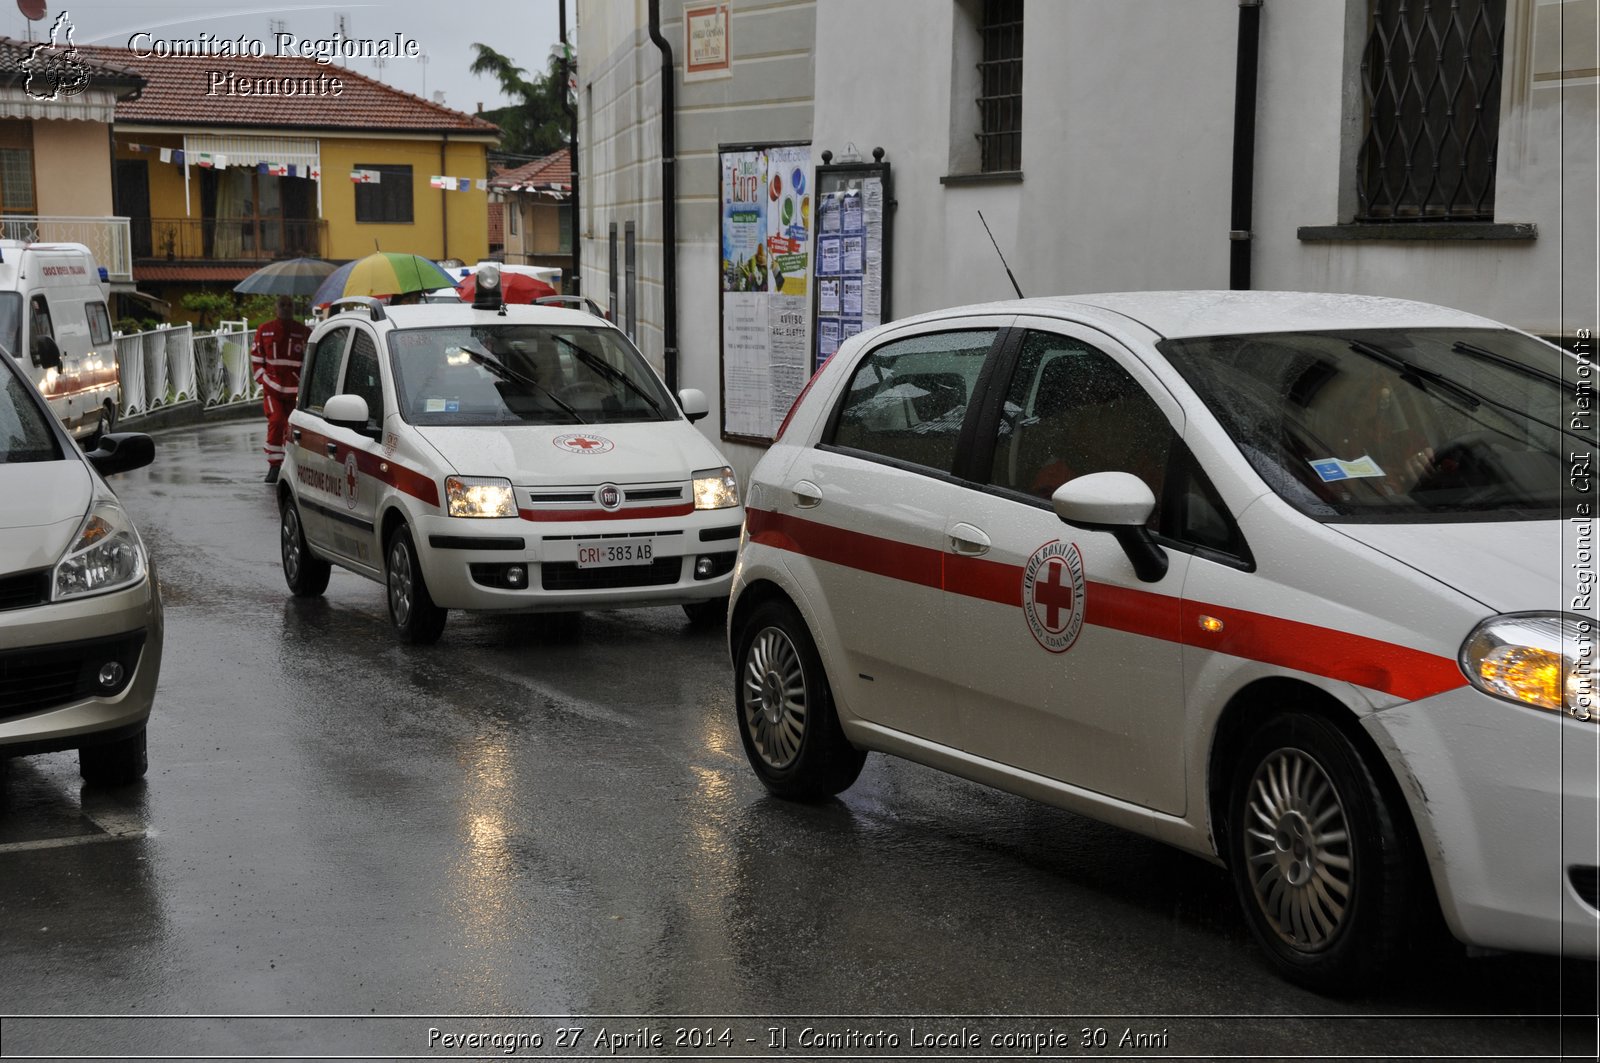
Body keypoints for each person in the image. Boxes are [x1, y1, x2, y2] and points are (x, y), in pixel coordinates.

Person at [251, 294, 310, 483]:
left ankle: (292, 464)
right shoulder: (265, 330)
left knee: (293, 429)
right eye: (282, 304)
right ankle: (274, 466)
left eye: (289, 304)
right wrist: (264, 380)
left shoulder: (303, 332)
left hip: (295, 391)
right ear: (276, 308)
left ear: (294, 308)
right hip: (273, 390)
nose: (286, 308)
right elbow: (256, 360)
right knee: (276, 422)